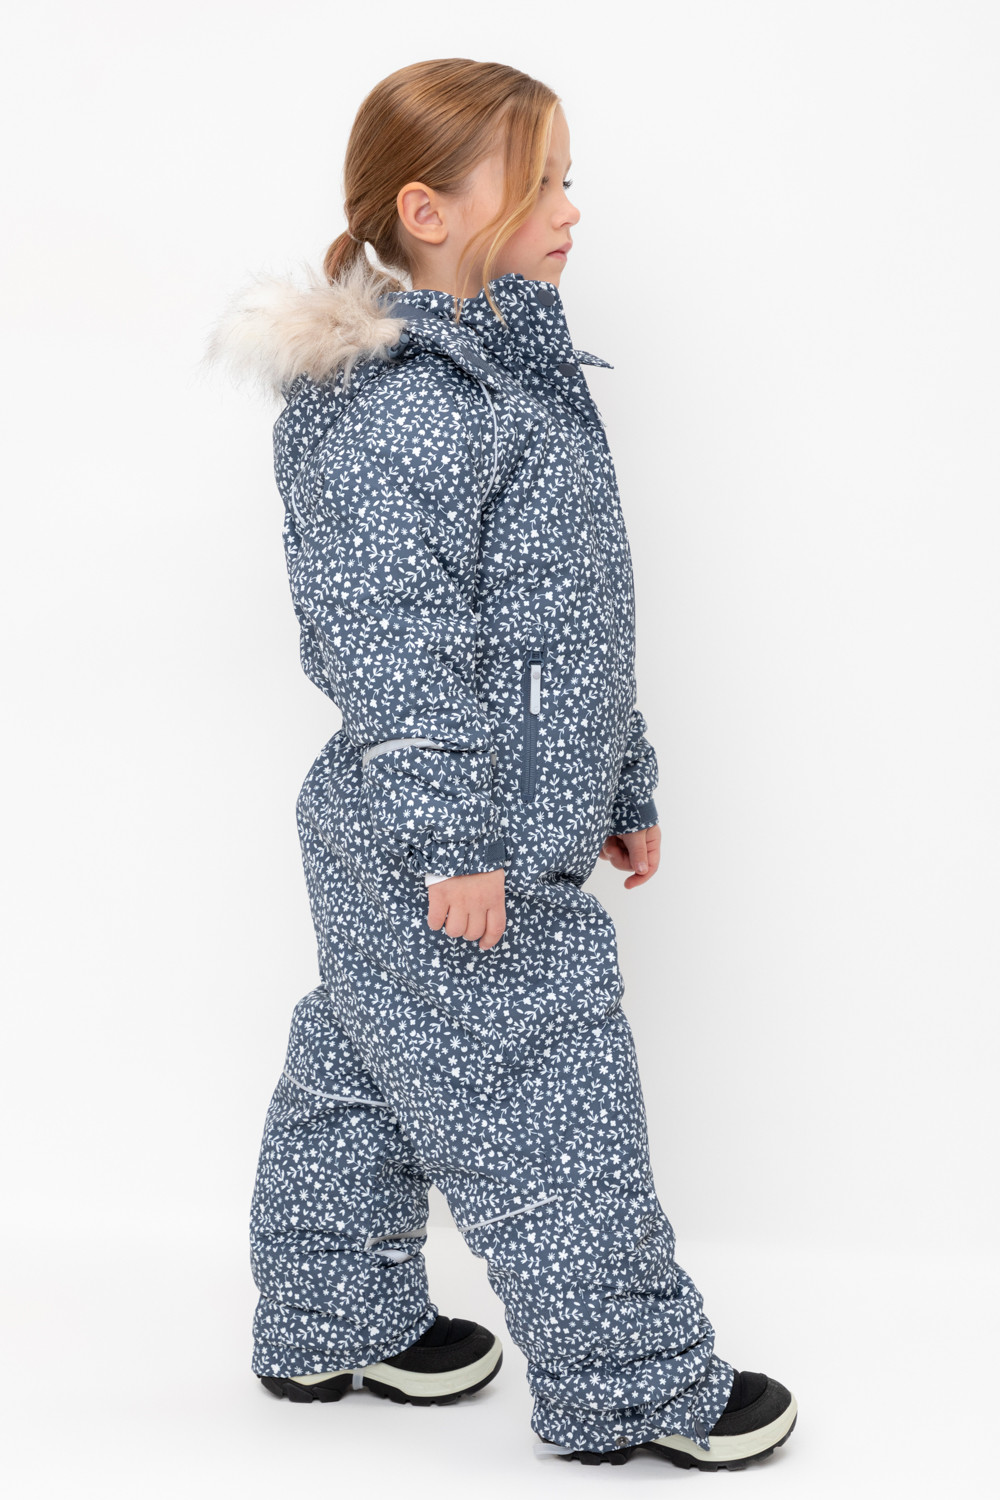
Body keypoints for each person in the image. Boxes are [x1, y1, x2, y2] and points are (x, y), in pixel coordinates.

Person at [202, 57, 798, 1471]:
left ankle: (333, 1316)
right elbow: (392, 636)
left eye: (569, 179)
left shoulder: (511, 371)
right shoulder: (396, 407)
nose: (571, 210)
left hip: (483, 815)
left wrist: (620, 780)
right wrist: (453, 841)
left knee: (368, 1057)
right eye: (540, 185)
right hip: (447, 831)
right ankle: (636, 1385)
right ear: (427, 210)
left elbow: (565, 611)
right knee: (548, 1096)